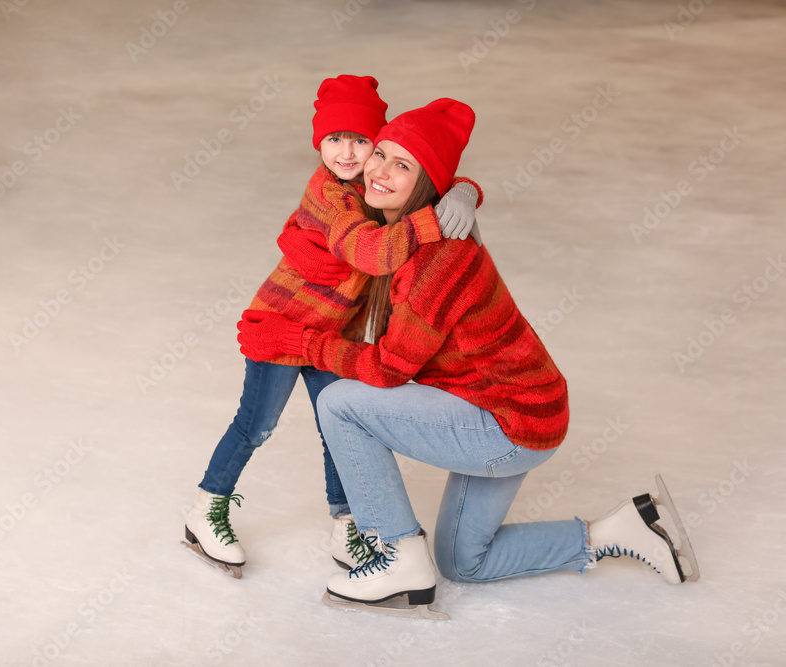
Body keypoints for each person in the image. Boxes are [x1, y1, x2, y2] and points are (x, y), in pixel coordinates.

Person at [238, 98, 698, 610]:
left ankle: (396, 557)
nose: (381, 171)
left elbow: (389, 369)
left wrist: (307, 346)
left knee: (340, 403)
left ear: (426, 185)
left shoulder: (437, 260)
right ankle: (620, 531)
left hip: (507, 422)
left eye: (402, 165)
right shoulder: (402, 235)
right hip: (522, 410)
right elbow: (339, 190)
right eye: (381, 153)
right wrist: (462, 189)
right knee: (465, 562)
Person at [184, 76, 485, 578]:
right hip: (283, 326)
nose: (347, 152)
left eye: (362, 141)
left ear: (378, 145)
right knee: (256, 425)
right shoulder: (332, 193)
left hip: (329, 336)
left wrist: (466, 191)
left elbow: (421, 168)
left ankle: (347, 522)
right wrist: (433, 218)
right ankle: (206, 507)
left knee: (337, 426)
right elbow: (372, 251)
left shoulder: (371, 183)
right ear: (318, 143)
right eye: (333, 139)